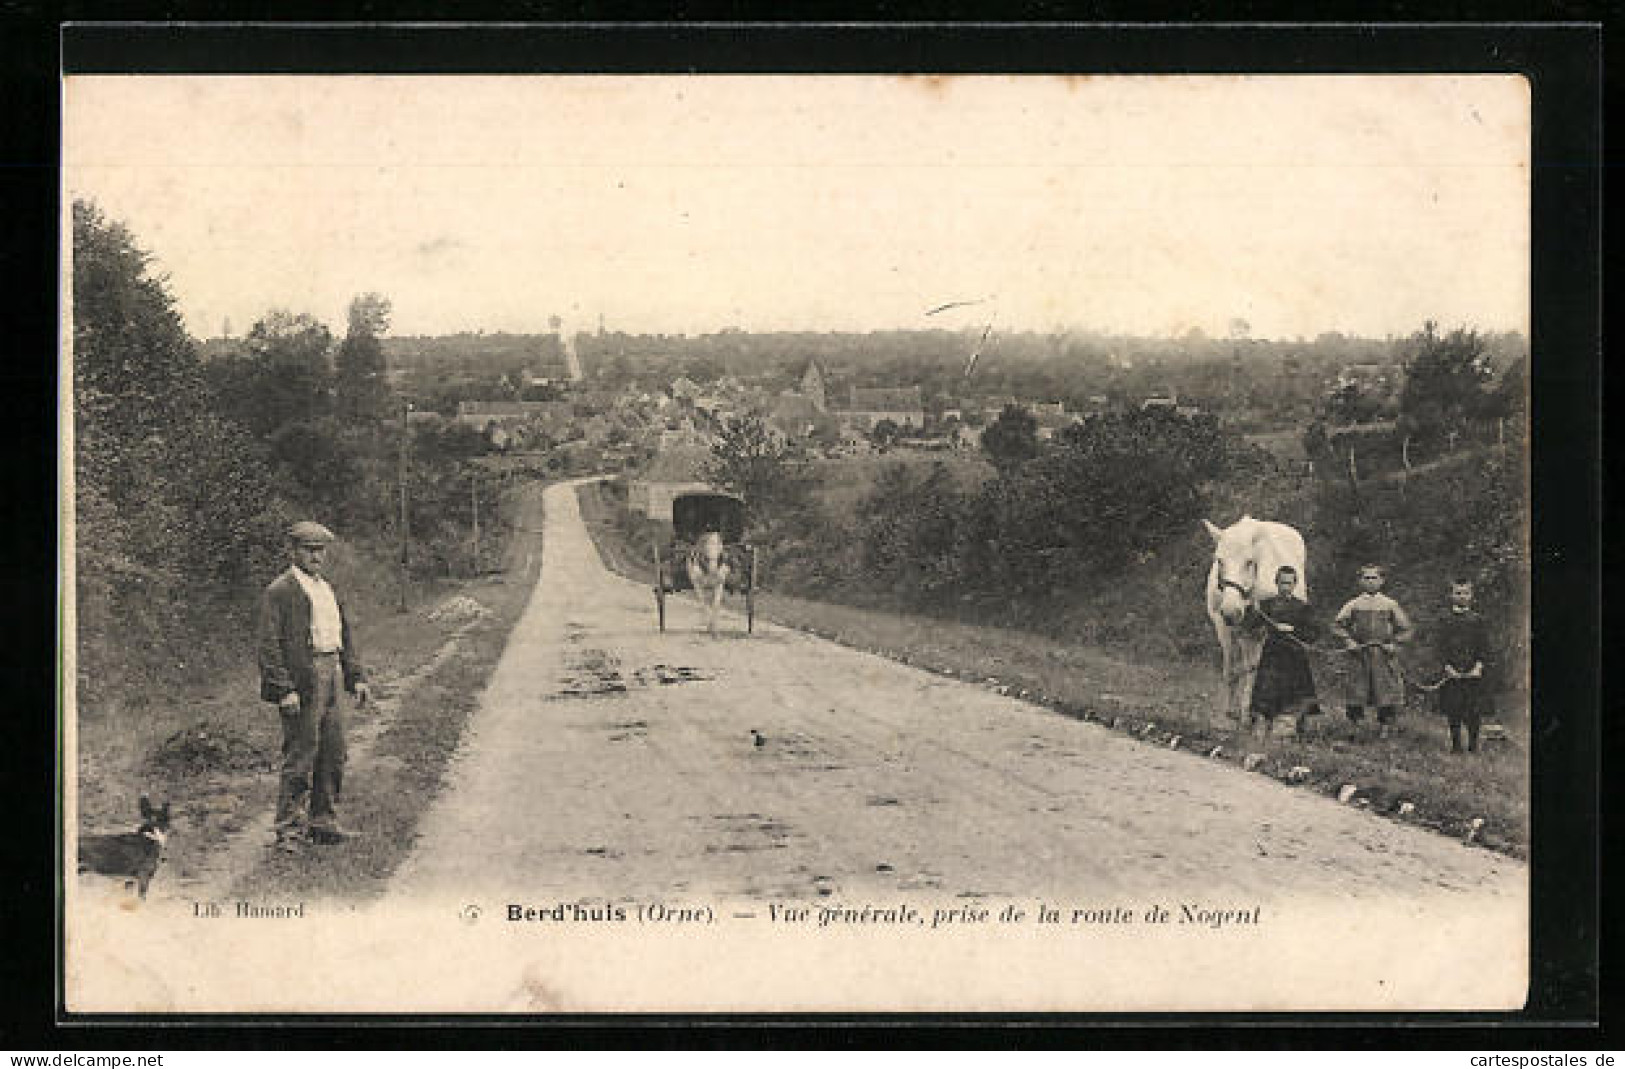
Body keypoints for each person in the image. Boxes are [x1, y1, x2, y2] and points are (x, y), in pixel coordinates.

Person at [258, 521, 370, 849]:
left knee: (333, 751)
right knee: (301, 754)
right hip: (303, 679)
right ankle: (289, 830)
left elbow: (343, 636)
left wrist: (356, 677)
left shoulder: (326, 589)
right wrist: (284, 689)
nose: (317, 556)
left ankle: (324, 822)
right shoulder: (280, 590)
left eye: (321, 550)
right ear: (292, 551)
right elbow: (268, 645)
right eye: (309, 549)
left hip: (331, 670)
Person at [1331, 563, 1413, 740]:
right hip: (1359, 654)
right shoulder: (1353, 604)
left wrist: (1394, 645)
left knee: (1385, 690)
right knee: (1356, 690)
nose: (1370, 582)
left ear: (1382, 580)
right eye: (1366, 578)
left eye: (1374, 578)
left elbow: (1406, 629)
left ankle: (1385, 727)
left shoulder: (1390, 604)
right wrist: (1348, 641)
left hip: (1382, 654)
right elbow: (1337, 626)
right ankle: (1355, 727)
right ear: (1360, 581)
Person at [1241, 565, 1322, 739]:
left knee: (1296, 696)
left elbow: (1314, 634)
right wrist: (1251, 610)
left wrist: (1293, 630)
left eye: (1289, 583)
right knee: (1266, 692)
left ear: (1295, 585)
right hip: (1272, 655)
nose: (1286, 587)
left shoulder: (1303, 608)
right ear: (1276, 583)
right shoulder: (1266, 605)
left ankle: (1296, 730)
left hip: (1295, 658)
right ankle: (1263, 728)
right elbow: (1250, 627)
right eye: (1282, 583)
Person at [1433, 578, 1493, 754]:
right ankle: (1456, 745)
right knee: (1453, 709)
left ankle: (1473, 746)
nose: (1462, 596)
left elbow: (1485, 647)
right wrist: (1447, 667)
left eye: (1465, 593)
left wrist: (1478, 667)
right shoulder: (1444, 620)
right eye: (1458, 593)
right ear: (1451, 595)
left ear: (1472, 595)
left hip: (1473, 673)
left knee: (1474, 710)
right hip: (1452, 673)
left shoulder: (1478, 620)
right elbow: (1439, 647)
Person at [685, 529, 731, 636]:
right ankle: (709, 618)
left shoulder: (724, 557)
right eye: (711, 543)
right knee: (703, 598)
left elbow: (724, 573)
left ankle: (713, 623)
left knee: (716, 601)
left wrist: (722, 571)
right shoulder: (697, 558)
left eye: (718, 543)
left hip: (716, 578)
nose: (715, 546)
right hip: (699, 578)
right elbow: (695, 575)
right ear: (704, 546)